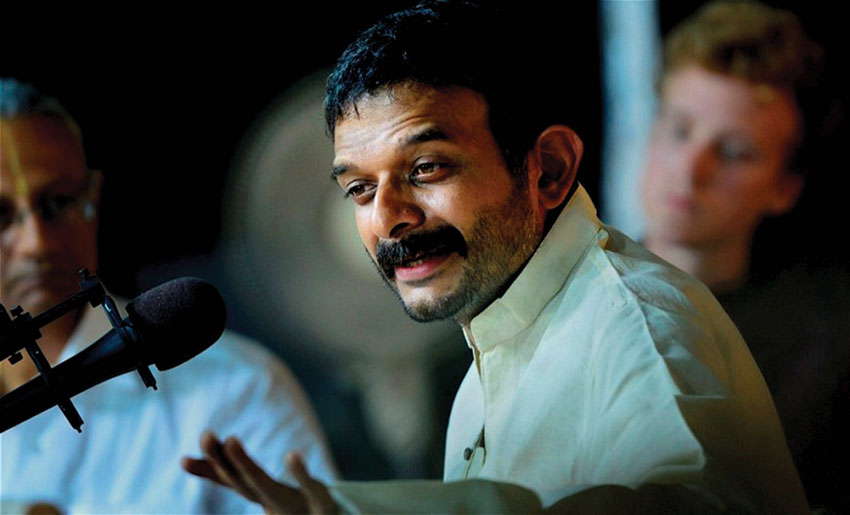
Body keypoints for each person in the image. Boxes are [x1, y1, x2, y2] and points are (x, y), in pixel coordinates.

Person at [182, 2, 807, 512]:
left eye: (426, 168)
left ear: (549, 170)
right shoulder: (501, 332)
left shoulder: (641, 331)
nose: (388, 216)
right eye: (360, 189)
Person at [0, 78, 337, 513]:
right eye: (0, 216)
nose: (36, 243)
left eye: (58, 202)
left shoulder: (236, 389)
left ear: (93, 198)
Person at [640, 2, 849, 511]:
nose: (690, 170)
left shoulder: (824, 352)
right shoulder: (550, 297)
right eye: (679, 129)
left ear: (784, 187)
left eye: (734, 152)